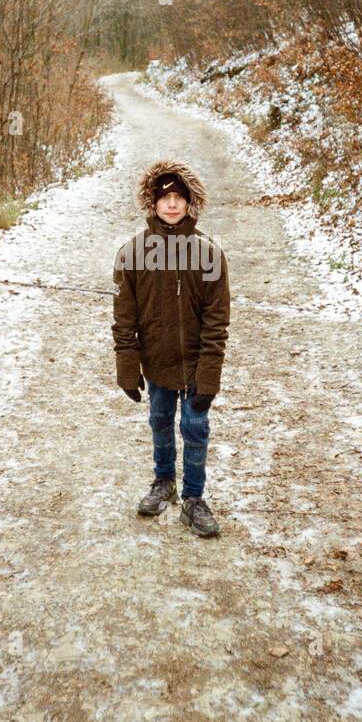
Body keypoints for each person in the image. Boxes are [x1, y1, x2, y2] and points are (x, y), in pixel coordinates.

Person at [111, 159, 231, 537]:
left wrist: (209, 374)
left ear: (190, 202)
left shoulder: (209, 254)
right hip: (157, 362)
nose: (173, 205)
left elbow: (217, 321)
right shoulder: (132, 254)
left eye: (180, 197)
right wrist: (128, 367)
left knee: (195, 428)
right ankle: (164, 481)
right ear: (153, 204)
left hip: (196, 364)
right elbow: (124, 318)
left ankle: (194, 498)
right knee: (160, 422)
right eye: (165, 198)